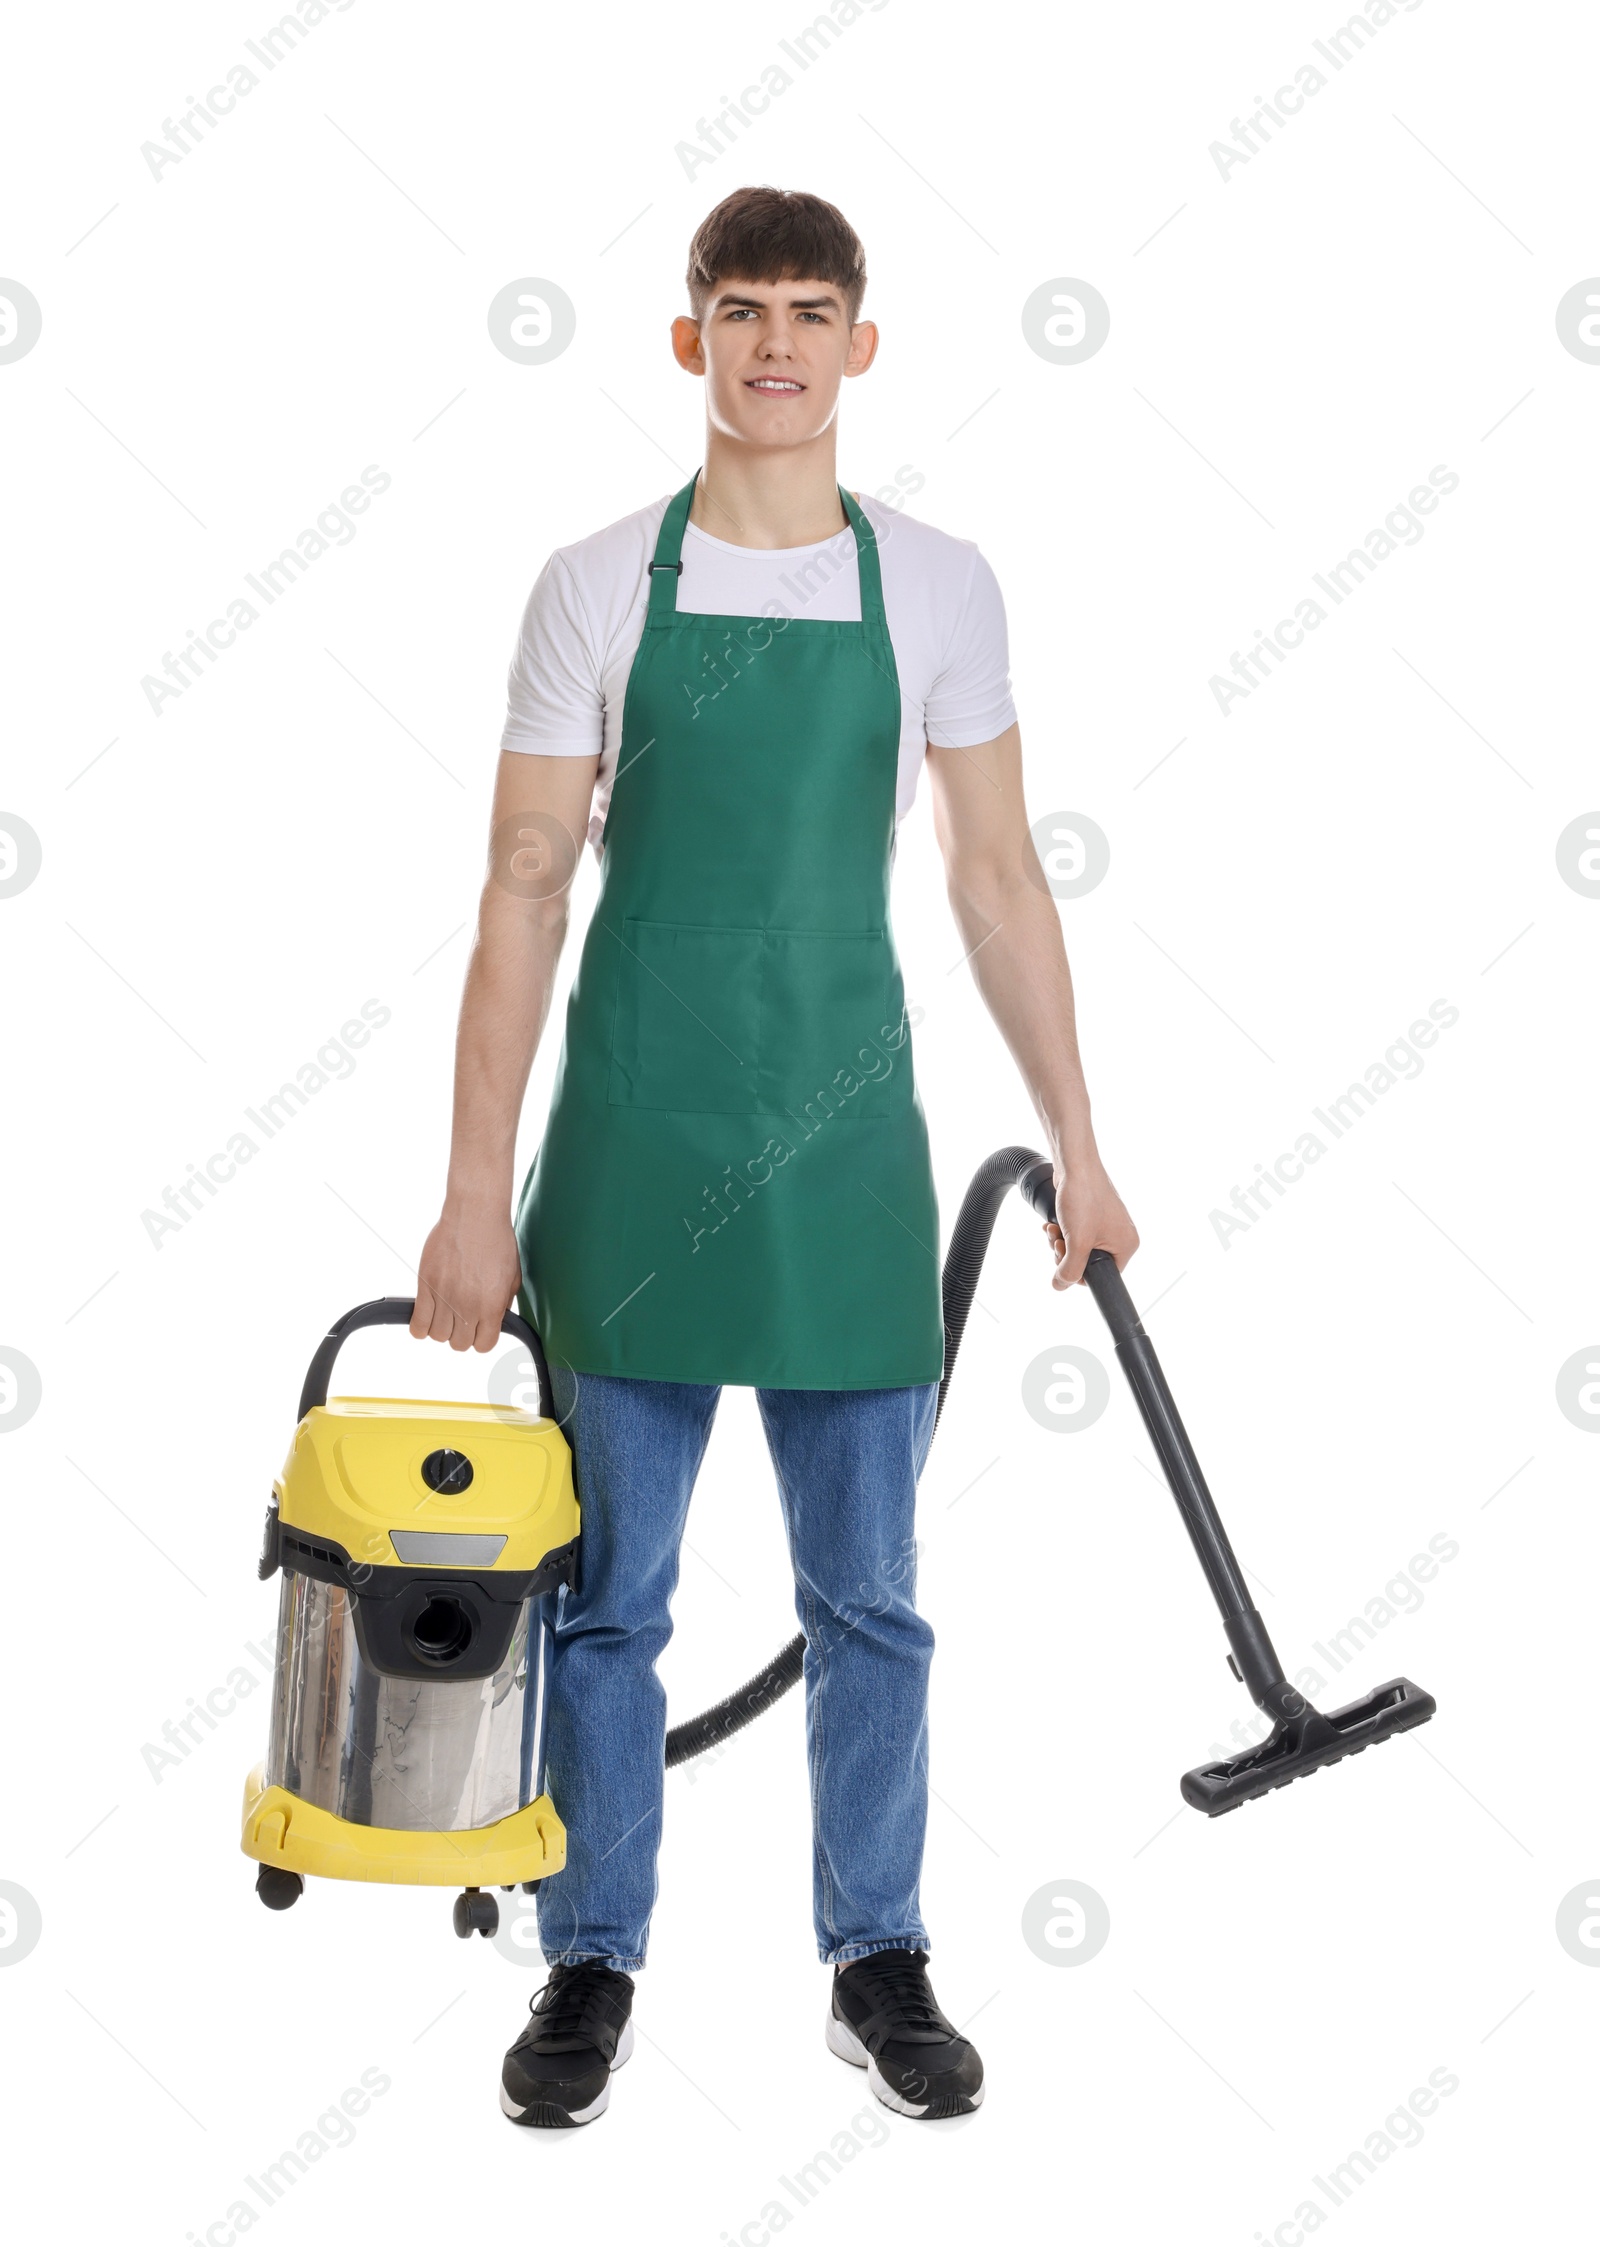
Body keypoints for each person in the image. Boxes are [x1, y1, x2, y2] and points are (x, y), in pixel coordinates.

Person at [411, 184, 1138, 2128]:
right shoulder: (589, 582)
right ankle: (589, 1956)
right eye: (742, 309)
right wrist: (473, 1191)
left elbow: (992, 870)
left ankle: (873, 1955)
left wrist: (1076, 1134)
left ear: (859, 346)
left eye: (813, 310)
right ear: (690, 340)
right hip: (631, 1158)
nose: (777, 344)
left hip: (843, 1168)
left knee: (873, 1603)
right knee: (604, 1608)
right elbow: (518, 887)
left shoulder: (936, 584)